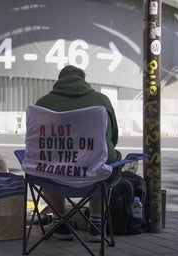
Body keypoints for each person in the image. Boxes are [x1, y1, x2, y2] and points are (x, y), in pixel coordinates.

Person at [35, 65, 122, 242]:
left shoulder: (43, 103)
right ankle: (97, 224)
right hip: (94, 176)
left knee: (47, 164)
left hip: (54, 176)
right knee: (102, 161)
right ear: (83, 80)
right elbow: (112, 138)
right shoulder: (101, 100)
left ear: (58, 81)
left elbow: (37, 142)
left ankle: (60, 222)